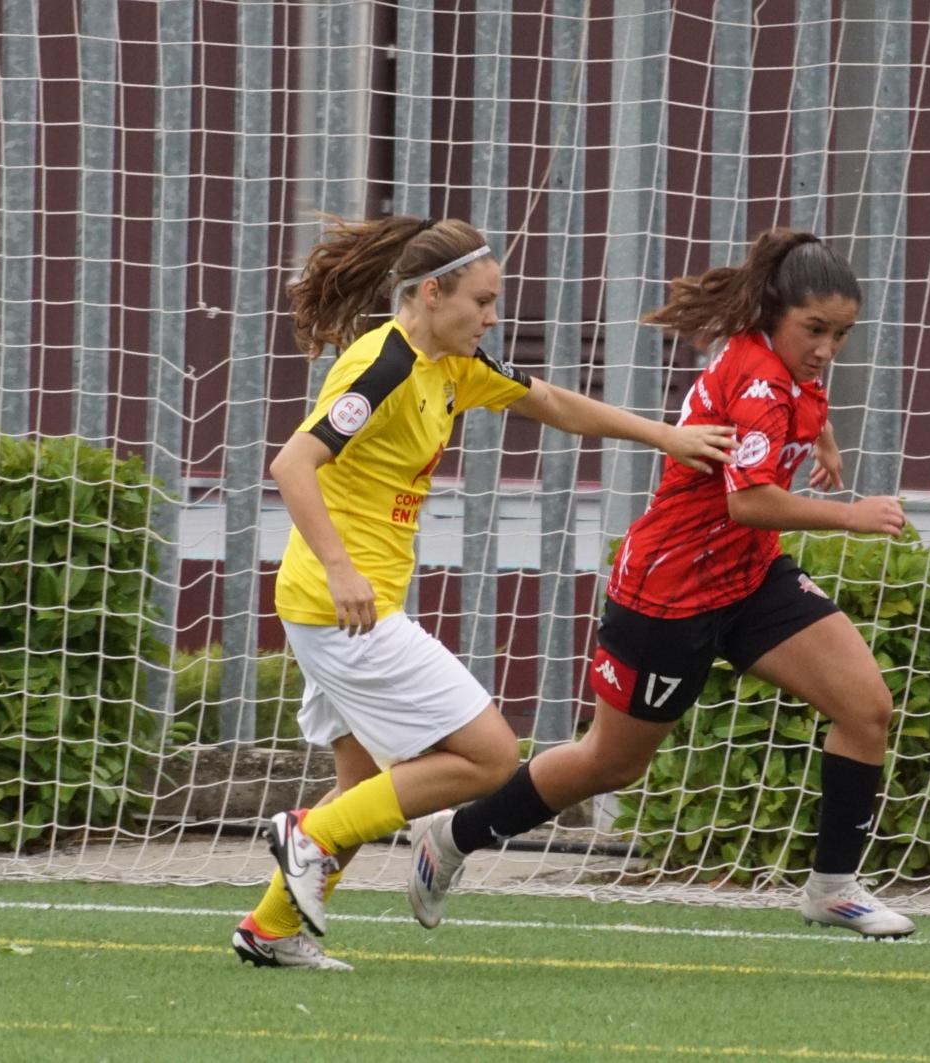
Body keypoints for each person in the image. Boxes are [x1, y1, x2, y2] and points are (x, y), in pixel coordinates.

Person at [231, 215, 737, 971]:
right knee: (491, 755)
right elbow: (292, 465)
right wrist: (342, 568)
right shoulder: (387, 367)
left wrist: (666, 436)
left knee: (364, 783)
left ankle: (272, 926)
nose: (494, 317)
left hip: (350, 607)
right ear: (432, 293)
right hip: (339, 608)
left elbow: (556, 404)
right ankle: (308, 835)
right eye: (484, 300)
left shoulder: (452, 365)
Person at [406, 229, 917, 940]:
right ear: (775, 313)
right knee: (609, 763)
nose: (828, 348)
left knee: (865, 706)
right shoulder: (761, 380)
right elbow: (751, 500)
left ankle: (833, 887)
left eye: (841, 333)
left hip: (749, 576)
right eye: (816, 329)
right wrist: (852, 516)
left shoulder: (785, 362)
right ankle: (454, 836)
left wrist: (824, 440)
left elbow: (804, 403)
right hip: (669, 591)